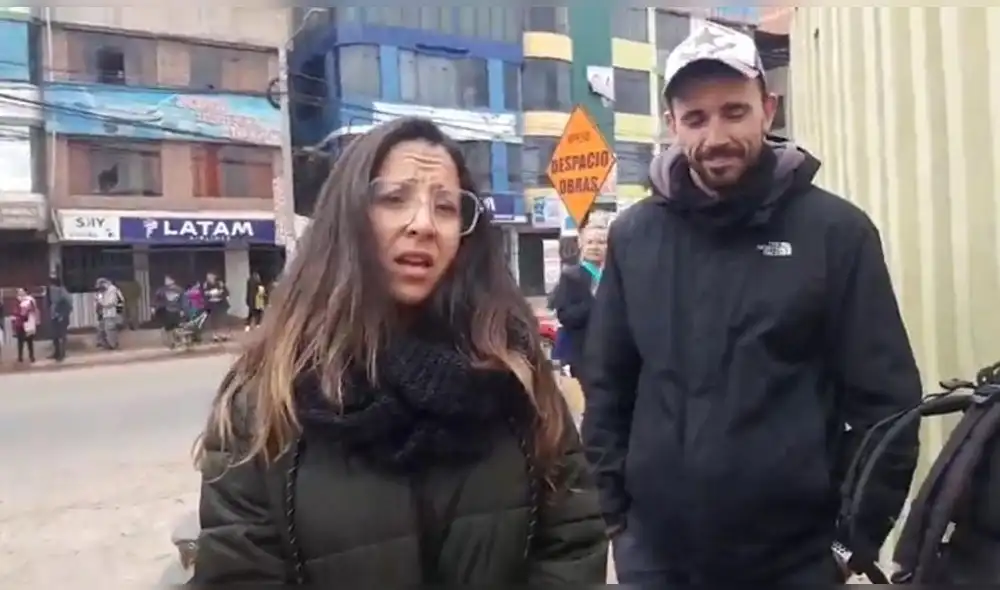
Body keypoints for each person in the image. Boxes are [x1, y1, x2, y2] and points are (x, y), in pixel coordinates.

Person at [192, 117, 607, 585]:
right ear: (347, 219)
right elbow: (238, 569)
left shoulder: (514, 372)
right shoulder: (270, 394)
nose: (423, 225)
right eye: (394, 199)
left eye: (445, 207)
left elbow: (572, 542)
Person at [580, 21, 922, 585]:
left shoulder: (836, 234)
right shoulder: (635, 238)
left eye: (734, 111)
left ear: (768, 109)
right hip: (659, 562)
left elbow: (887, 407)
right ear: (671, 124)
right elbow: (607, 390)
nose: (716, 135)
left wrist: (849, 544)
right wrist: (617, 521)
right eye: (696, 118)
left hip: (795, 564)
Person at [550, 221, 607, 379]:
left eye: (601, 242)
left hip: (612, 354)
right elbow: (565, 316)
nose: (595, 247)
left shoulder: (615, 275)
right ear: (581, 245)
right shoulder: (571, 276)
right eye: (590, 242)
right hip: (582, 355)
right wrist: (594, 302)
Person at [47, 274, 72, 361]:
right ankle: (56, 353)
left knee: (62, 336)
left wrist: (62, 314)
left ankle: (61, 354)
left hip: (62, 317)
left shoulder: (63, 293)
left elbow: (68, 306)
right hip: (54, 317)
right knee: (55, 336)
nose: (50, 287)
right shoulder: (52, 294)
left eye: (51, 284)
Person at [95, 278, 124, 350]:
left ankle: (113, 344)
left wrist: (101, 303)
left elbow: (110, 303)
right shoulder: (102, 291)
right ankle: (105, 343)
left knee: (110, 328)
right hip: (105, 313)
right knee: (101, 328)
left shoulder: (112, 290)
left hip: (112, 312)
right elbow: (99, 300)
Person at [153, 275, 185, 340]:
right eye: (165, 280)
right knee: (168, 327)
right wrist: (154, 307)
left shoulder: (179, 290)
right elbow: (157, 299)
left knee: (176, 326)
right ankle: (171, 340)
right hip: (167, 310)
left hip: (176, 311)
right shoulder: (162, 290)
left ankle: (177, 339)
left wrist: (182, 310)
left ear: (173, 280)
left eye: (168, 279)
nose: (166, 281)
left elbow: (183, 300)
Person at [12, 288, 38, 364]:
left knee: (30, 341)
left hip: (28, 322)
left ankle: (31, 356)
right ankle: (20, 357)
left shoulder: (30, 300)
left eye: (22, 292)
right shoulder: (17, 301)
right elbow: (15, 311)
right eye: (19, 292)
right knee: (20, 341)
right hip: (20, 324)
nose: (20, 293)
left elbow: (33, 309)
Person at [202, 272, 229, 342]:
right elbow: (204, 294)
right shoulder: (206, 284)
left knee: (222, 319)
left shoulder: (220, 283)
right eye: (208, 277)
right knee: (213, 320)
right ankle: (215, 335)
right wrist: (209, 293)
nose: (209, 278)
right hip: (212, 304)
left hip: (220, 303)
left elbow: (226, 292)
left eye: (210, 276)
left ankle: (223, 334)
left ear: (214, 276)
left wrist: (220, 292)